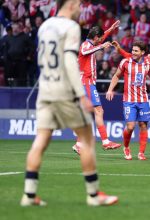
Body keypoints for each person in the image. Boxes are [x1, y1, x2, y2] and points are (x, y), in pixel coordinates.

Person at [20, 0, 118, 206]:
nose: (81, 9)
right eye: (80, 5)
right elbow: (69, 61)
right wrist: (81, 95)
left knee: (41, 140)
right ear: (72, 4)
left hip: (45, 88)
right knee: (86, 140)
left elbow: (41, 57)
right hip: (64, 88)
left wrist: (107, 31)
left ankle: (29, 195)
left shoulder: (45, 26)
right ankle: (93, 195)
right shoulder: (71, 27)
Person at [72, 22, 122, 155]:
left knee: (93, 112)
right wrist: (100, 46)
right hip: (86, 82)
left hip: (88, 82)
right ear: (96, 37)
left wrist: (110, 29)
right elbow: (85, 51)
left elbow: (101, 39)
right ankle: (105, 141)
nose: (102, 40)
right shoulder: (86, 45)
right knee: (97, 111)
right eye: (100, 38)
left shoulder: (92, 43)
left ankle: (80, 144)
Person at [106, 41, 150, 161]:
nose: (133, 53)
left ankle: (141, 153)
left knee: (143, 125)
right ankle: (126, 147)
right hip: (129, 100)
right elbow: (116, 76)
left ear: (143, 52)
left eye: (136, 51)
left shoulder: (148, 61)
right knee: (130, 126)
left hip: (143, 99)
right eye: (133, 50)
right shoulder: (126, 62)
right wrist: (110, 90)